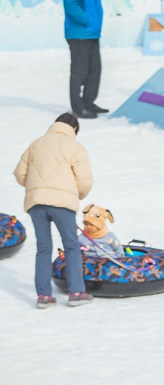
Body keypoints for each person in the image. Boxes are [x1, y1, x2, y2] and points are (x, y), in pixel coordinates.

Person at [14, 113, 94, 308]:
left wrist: (36, 188)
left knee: (43, 248)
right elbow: (84, 180)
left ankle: (43, 296)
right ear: (74, 129)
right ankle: (76, 292)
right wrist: (76, 195)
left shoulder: (36, 144)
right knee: (71, 246)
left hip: (36, 203)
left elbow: (19, 173)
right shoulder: (74, 146)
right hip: (62, 203)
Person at [63, 0, 107, 118]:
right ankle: (77, 108)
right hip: (79, 34)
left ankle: (88, 103)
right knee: (79, 71)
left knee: (94, 69)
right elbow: (71, 5)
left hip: (92, 33)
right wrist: (88, 20)